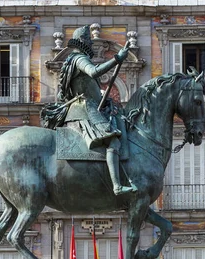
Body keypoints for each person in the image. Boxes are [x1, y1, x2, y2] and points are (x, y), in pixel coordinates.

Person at [41, 25, 137, 196]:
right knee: (113, 141)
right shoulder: (78, 58)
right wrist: (117, 58)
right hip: (84, 108)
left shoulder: (72, 60)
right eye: (88, 41)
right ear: (83, 41)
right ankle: (117, 185)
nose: (91, 45)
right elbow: (94, 72)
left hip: (84, 106)